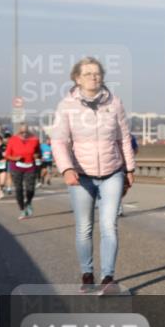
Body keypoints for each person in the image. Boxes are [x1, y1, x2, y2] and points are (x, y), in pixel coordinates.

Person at [52, 57, 135, 294]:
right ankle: (87, 275)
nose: (93, 77)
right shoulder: (66, 106)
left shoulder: (115, 103)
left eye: (97, 73)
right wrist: (66, 169)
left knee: (109, 226)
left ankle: (108, 278)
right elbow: (58, 141)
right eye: (88, 74)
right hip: (81, 175)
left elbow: (124, 139)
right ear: (77, 78)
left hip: (112, 172)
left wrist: (130, 169)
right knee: (84, 228)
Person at [4, 123, 41, 219]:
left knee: (30, 189)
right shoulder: (12, 140)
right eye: (22, 132)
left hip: (30, 166)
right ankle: (22, 209)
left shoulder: (35, 140)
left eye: (26, 132)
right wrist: (15, 158)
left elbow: (38, 152)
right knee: (19, 189)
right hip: (16, 167)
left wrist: (37, 155)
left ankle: (28, 202)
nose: (24, 134)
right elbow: (7, 155)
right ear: (18, 131)